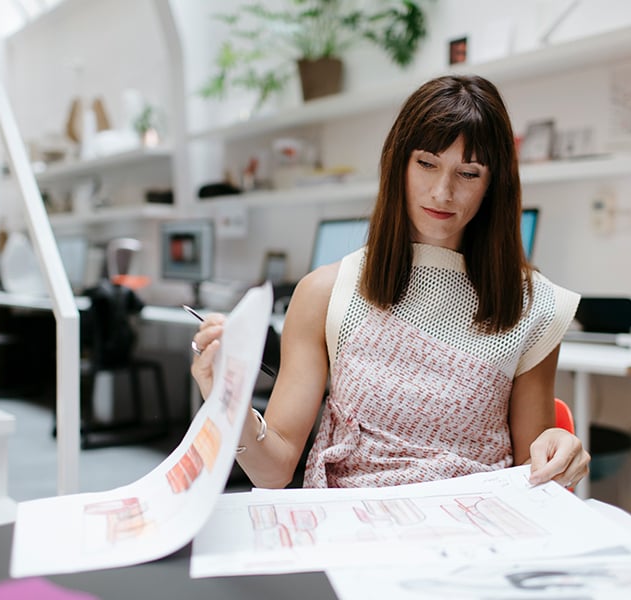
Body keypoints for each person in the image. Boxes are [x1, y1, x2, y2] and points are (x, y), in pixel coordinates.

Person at [191, 74, 589, 490]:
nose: (442, 192)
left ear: (493, 185)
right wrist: (227, 401)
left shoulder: (533, 305)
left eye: (468, 173)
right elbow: (273, 471)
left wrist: (558, 451)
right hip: (352, 536)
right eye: (426, 163)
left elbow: (535, 474)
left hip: (471, 535)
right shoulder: (324, 295)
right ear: (398, 163)